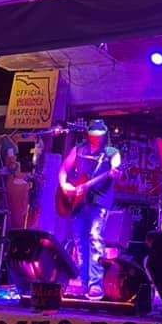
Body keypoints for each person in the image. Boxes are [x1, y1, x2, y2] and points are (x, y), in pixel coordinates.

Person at [58, 120, 122, 299]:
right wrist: (64, 185)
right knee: (79, 240)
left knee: (95, 237)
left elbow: (116, 166)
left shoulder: (111, 153)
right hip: (79, 201)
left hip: (100, 201)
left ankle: (96, 284)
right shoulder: (79, 150)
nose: (96, 139)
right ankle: (83, 282)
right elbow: (64, 169)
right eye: (93, 135)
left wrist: (115, 171)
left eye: (99, 136)